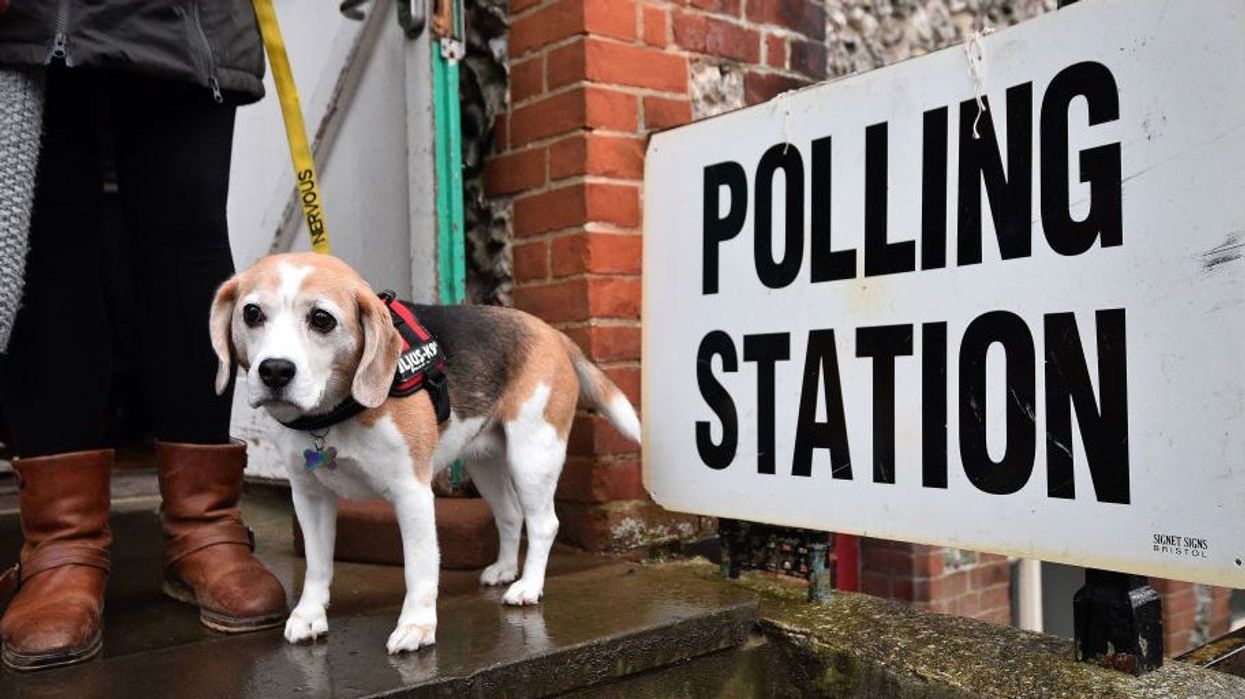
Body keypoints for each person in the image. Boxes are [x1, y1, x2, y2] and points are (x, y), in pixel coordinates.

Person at [0, 2, 287, 671]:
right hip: (35, 16)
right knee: (47, 243)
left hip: (188, 18)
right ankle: (60, 544)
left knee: (186, 234)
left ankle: (204, 528)